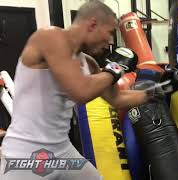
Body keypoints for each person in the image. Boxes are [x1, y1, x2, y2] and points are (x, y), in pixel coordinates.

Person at [0, 1, 153, 179]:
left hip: (62, 151)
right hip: (25, 155)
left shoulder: (88, 63)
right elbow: (80, 92)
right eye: (110, 32)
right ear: (93, 24)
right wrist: (116, 70)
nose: (110, 41)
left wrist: (158, 91)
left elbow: (117, 99)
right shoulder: (49, 37)